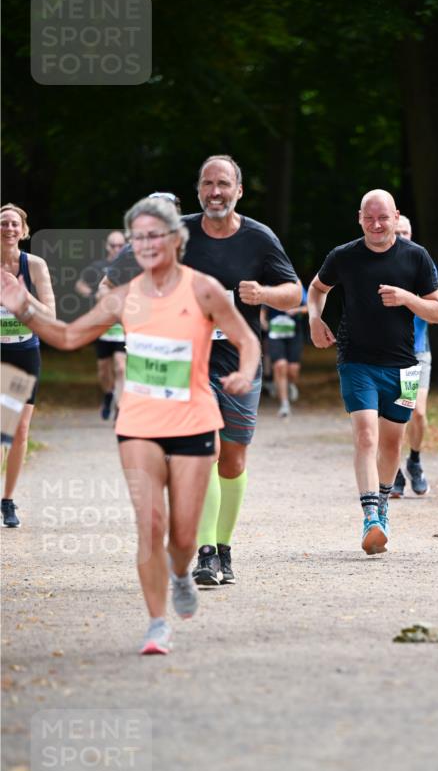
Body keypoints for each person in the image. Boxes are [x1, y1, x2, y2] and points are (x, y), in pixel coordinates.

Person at [0, 196, 260, 655]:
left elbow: (246, 339)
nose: (146, 244)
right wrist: (25, 308)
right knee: (150, 524)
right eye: (138, 237)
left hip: (194, 418)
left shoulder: (204, 290)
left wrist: (243, 371)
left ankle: (181, 570)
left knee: (182, 534)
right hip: (139, 421)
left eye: (155, 235)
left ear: (177, 240)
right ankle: (157, 623)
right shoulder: (124, 296)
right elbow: (66, 335)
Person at [182, 155, 301, 586]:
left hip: (241, 361)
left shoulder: (259, 238)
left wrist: (264, 293)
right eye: (207, 184)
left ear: (238, 191)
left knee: (232, 459)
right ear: (198, 189)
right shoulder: (178, 232)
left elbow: (294, 292)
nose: (215, 192)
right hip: (189, 361)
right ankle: (206, 553)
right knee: (204, 451)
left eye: (223, 184)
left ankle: (225, 549)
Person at [308, 189, 438, 554]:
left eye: (383, 217)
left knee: (392, 442)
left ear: (395, 216)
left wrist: (406, 298)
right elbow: (317, 289)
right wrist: (314, 318)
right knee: (366, 435)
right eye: (369, 218)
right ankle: (370, 515)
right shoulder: (344, 256)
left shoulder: (416, 258)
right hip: (356, 360)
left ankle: (382, 505)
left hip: (405, 365)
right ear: (359, 218)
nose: (377, 225)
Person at [0, 203, 56, 528]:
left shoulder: (33, 265)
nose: (8, 229)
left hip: (24, 352)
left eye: (13, 224)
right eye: (3, 223)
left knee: (19, 431)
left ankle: (7, 500)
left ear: (23, 231)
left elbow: (50, 316)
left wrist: (22, 294)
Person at [390, 215, 431, 497]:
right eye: (399, 232)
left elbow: (434, 308)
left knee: (417, 411)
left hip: (416, 351)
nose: (403, 237)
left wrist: (407, 297)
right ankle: (394, 472)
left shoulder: (421, 264)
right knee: (397, 414)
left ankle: (414, 461)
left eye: (407, 232)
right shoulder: (381, 264)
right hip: (389, 351)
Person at [75, 229, 126, 419]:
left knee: (121, 366)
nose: (117, 249)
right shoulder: (97, 267)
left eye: (121, 245)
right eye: (113, 245)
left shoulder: (131, 265)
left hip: (122, 325)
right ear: (107, 246)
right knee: (104, 369)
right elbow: (80, 284)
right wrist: (91, 295)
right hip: (103, 326)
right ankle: (108, 394)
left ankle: (121, 406)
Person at [263, 284, 308, 417]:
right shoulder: (269, 289)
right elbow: (262, 314)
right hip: (275, 334)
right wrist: (267, 327)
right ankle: (284, 404)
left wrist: (296, 311)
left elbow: (308, 307)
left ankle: (291, 383)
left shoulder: (297, 285)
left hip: (294, 333)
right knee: (279, 365)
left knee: (292, 369)